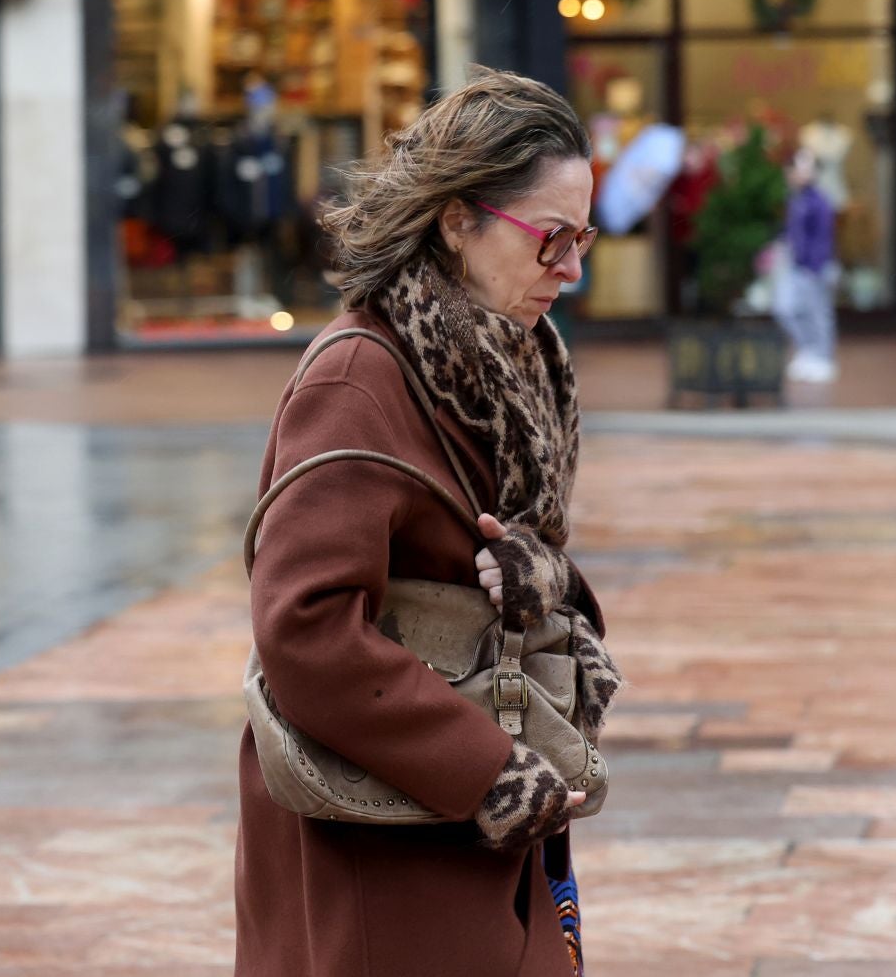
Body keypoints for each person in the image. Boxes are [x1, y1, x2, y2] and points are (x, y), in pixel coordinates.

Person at [237, 70, 621, 977]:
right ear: (458, 219)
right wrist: (484, 769)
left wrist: (548, 579)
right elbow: (303, 627)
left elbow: (494, 556)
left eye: (584, 237)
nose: (571, 268)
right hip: (384, 840)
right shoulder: (359, 377)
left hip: (472, 823)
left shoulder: (507, 363)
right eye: (550, 238)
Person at [775, 145, 839, 383]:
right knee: (786, 309)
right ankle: (808, 350)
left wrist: (815, 266)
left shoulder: (819, 201)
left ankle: (823, 357)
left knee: (819, 313)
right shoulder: (795, 199)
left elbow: (823, 238)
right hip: (795, 265)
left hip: (815, 267)